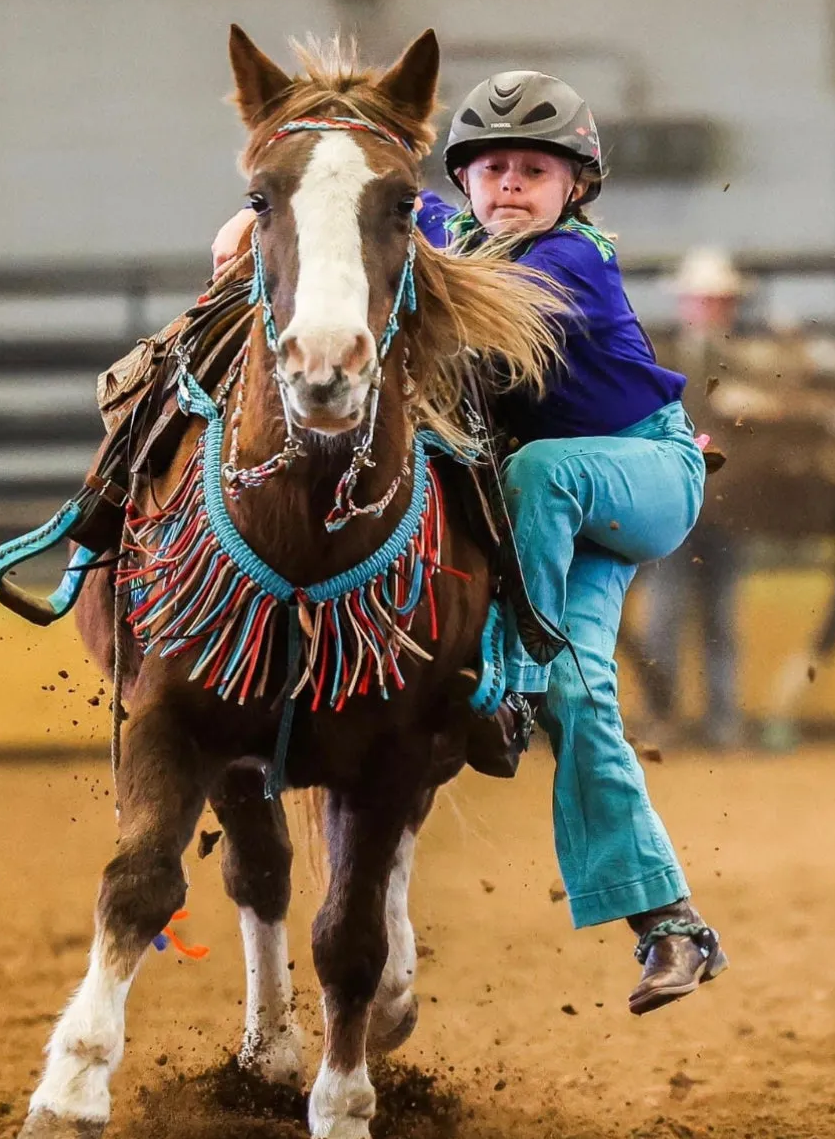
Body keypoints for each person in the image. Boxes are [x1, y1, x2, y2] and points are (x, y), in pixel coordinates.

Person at [211, 71, 727, 1016]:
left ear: (578, 188)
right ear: (465, 180)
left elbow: (422, 262)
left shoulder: (570, 260)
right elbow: (373, 217)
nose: (511, 186)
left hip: (636, 471)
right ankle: (671, 924)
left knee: (534, 479)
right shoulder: (451, 230)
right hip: (562, 507)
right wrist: (275, 222)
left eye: (537, 169)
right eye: (492, 170)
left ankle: (507, 684)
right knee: (586, 688)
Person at [641, 248, 750, 749]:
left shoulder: (748, 363)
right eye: (703, 300)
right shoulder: (658, 359)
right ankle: (665, 716)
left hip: (728, 510)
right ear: (686, 304)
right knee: (664, 617)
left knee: (722, 619)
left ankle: (723, 720)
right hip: (671, 510)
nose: (710, 309)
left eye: (718, 301)